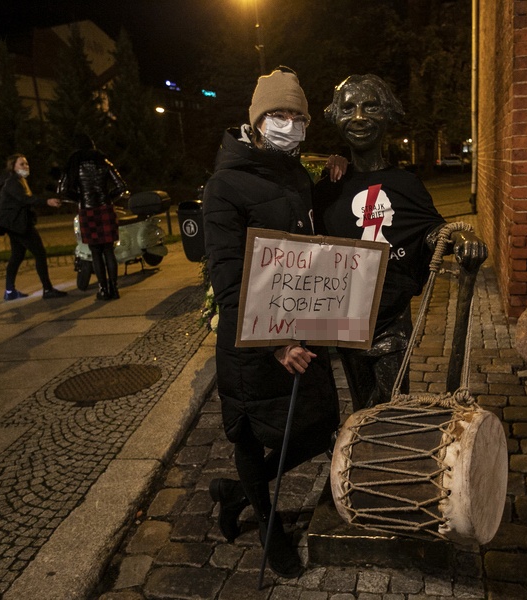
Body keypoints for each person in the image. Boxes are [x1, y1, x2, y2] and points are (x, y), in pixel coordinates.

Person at [202, 67, 343, 579]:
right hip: (253, 338)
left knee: (320, 422)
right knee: (250, 433)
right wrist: (276, 342)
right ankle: (265, 522)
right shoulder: (224, 184)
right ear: (257, 120)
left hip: (301, 322)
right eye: (278, 115)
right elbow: (228, 276)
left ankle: (237, 492)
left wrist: (334, 172)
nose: (288, 124)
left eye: (297, 116)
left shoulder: (293, 172)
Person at [314, 74, 488, 411]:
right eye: (348, 108)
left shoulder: (405, 183)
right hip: (345, 320)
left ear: (387, 115)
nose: (359, 117)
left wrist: (459, 237)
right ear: (335, 116)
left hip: (389, 319)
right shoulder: (328, 188)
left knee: (391, 409)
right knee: (362, 406)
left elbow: (429, 230)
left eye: (371, 106)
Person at [57, 134, 129, 300]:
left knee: (96, 252)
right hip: (105, 208)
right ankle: (114, 288)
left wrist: (80, 199)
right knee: (109, 250)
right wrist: (108, 197)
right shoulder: (103, 161)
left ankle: (103, 289)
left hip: (87, 211)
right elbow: (121, 185)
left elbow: (63, 190)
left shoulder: (74, 163)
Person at [0, 154, 68, 301]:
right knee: (39, 253)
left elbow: (26, 200)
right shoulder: (12, 182)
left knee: (17, 255)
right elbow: (25, 200)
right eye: (21, 164)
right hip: (17, 224)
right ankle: (47, 289)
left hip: (14, 224)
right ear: (13, 166)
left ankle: (10, 291)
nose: (25, 166)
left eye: (26, 164)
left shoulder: (19, 181)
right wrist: (47, 201)